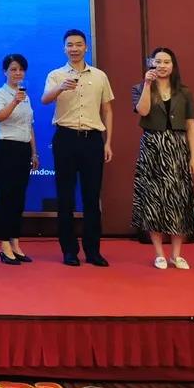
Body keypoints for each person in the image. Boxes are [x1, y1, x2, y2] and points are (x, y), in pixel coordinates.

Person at [41, 29, 114, 267]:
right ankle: (69, 250)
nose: (74, 48)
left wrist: (108, 142)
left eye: (78, 44)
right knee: (65, 197)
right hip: (65, 138)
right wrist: (60, 87)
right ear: (64, 49)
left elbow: (107, 110)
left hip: (92, 139)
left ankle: (93, 251)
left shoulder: (100, 76)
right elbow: (45, 100)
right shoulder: (55, 75)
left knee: (92, 197)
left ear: (86, 48)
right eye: (70, 45)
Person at [131, 47, 194, 270]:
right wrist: (147, 84)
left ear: (173, 65)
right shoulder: (140, 87)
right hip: (152, 147)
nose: (162, 66)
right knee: (154, 199)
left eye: (166, 62)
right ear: (151, 63)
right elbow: (143, 111)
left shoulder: (184, 92)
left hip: (178, 148)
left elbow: (191, 126)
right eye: (158, 61)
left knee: (178, 199)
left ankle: (176, 254)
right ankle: (159, 253)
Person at [0, 53, 39, 265]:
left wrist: (34, 152)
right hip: (5, 149)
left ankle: (15, 242)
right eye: (13, 69)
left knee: (19, 198)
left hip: (23, 149)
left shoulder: (25, 95)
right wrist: (14, 102)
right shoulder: (0, 94)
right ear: (5, 72)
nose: (17, 73)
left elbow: (29, 126)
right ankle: (4, 244)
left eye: (21, 69)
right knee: (6, 197)